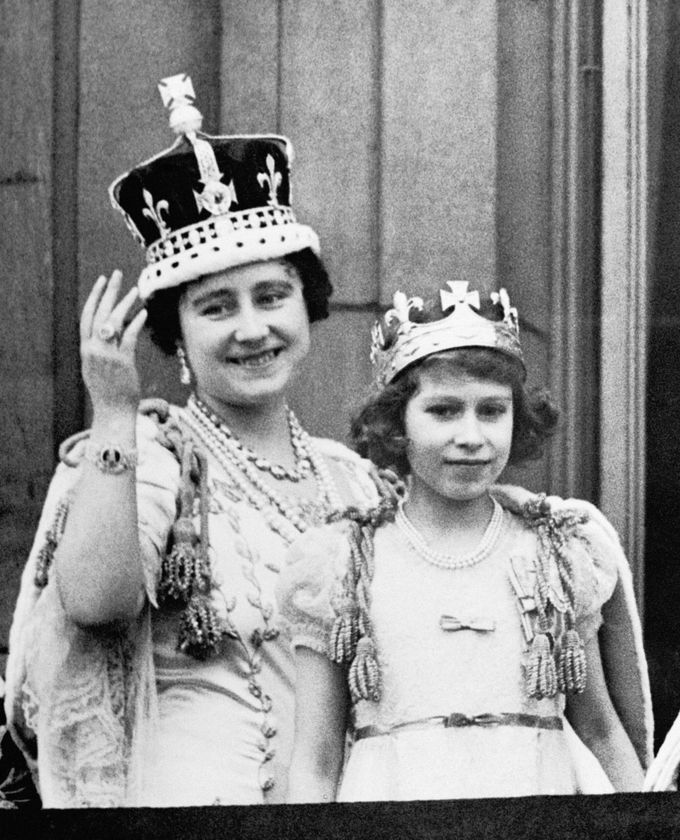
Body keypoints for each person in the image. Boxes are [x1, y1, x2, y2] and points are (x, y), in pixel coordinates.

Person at [3, 74, 378, 807]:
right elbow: (95, 603)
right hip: (190, 809)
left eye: (273, 296)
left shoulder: (353, 482)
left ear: (308, 305)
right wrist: (114, 413)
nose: (252, 329)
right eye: (216, 308)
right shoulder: (152, 458)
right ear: (177, 336)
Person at [277, 282, 653, 801]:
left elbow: (601, 730)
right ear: (395, 422)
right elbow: (316, 763)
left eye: (492, 410)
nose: (472, 436)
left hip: (537, 803)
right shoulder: (343, 562)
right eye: (445, 411)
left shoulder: (554, 551)